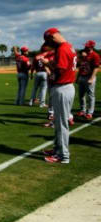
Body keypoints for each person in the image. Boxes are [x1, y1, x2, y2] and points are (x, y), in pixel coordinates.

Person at [41, 28, 77, 164]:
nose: (49, 43)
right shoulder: (69, 46)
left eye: (49, 40)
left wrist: (48, 65)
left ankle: (63, 156)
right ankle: (57, 149)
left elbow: (60, 69)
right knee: (58, 122)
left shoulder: (62, 48)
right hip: (65, 87)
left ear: (53, 37)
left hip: (63, 87)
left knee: (61, 124)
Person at [76, 40, 100, 120]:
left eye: (87, 46)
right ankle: (83, 110)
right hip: (82, 76)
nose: (85, 47)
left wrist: (91, 78)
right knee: (81, 95)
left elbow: (96, 68)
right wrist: (77, 77)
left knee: (90, 96)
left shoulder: (95, 55)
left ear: (91, 47)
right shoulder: (83, 55)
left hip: (89, 77)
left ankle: (90, 112)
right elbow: (80, 67)